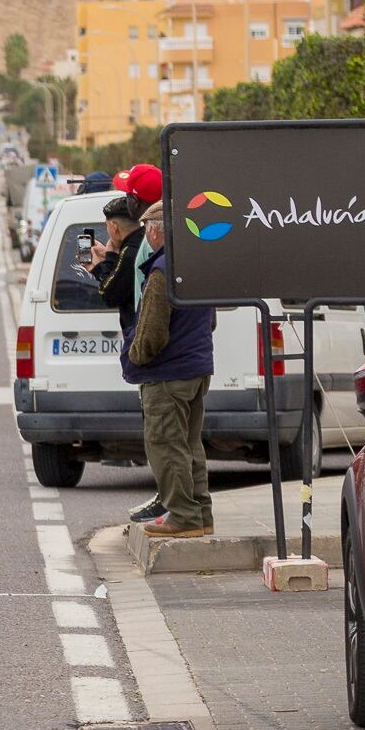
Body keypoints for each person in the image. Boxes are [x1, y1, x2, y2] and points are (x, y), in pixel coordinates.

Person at [127, 204, 217, 539]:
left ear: (155, 229)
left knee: (165, 444)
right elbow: (210, 320)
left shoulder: (161, 270)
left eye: (146, 225)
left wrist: (135, 357)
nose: (145, 233)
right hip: (196, 367)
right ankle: (200, 513)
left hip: (167, 373)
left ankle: (182, 516)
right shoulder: (194, 267)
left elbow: (151, 333)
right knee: (190, 445)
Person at [88, 191, 161, 523]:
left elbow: (110, 293)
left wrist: (102, 265)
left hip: (150, 353)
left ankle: (171, 504)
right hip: (160, 352)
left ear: (114, 228)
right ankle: (175, 503)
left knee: (162, 436)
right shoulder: (137, 249)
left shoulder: (134, 251)